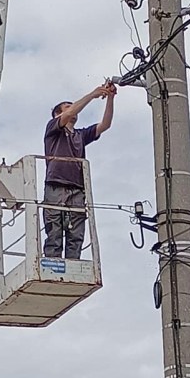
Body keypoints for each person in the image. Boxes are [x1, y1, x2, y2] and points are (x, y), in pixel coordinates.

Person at [43, 81, 117, 259]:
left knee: (75, 233)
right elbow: (71, 112)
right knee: (54, 230)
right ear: (57, 114)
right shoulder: (53, 127)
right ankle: (53, 264)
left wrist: (110, 98)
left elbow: (105, 125)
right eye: (67, 106)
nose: (72, 108)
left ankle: (72, 265)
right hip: (56, 185)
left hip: (77, 187)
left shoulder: (80, 135)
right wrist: (92, 94)